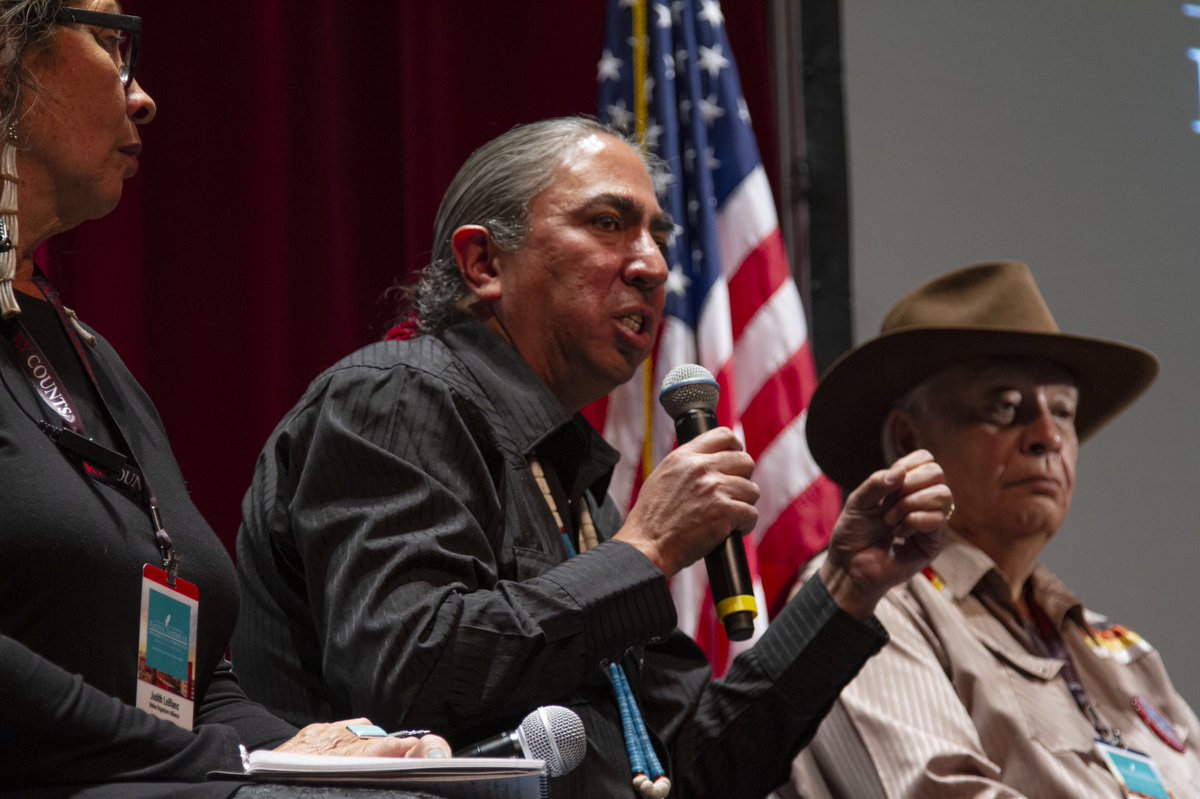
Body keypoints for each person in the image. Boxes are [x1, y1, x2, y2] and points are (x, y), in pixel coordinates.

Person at [232, 116, 952, 798]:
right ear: (483, 262)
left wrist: (846, 586)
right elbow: (411, 674)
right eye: (608, 223)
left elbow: (690, 768)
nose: (653, 266)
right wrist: (644, 552)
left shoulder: (573, 486)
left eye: (658, 236)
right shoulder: (396, 396)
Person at [0, 3, 447, 796]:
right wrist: (231, 768)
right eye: (109, 43)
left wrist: (309, 752)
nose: (143, 98)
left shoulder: (89, 355)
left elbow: (194, 686)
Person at [778, 261, 1200, 798]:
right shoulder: (867, 601)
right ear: (908, 441)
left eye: (1064, 411)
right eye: (1004, 406)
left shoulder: (1121, 654)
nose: (1048, 436)